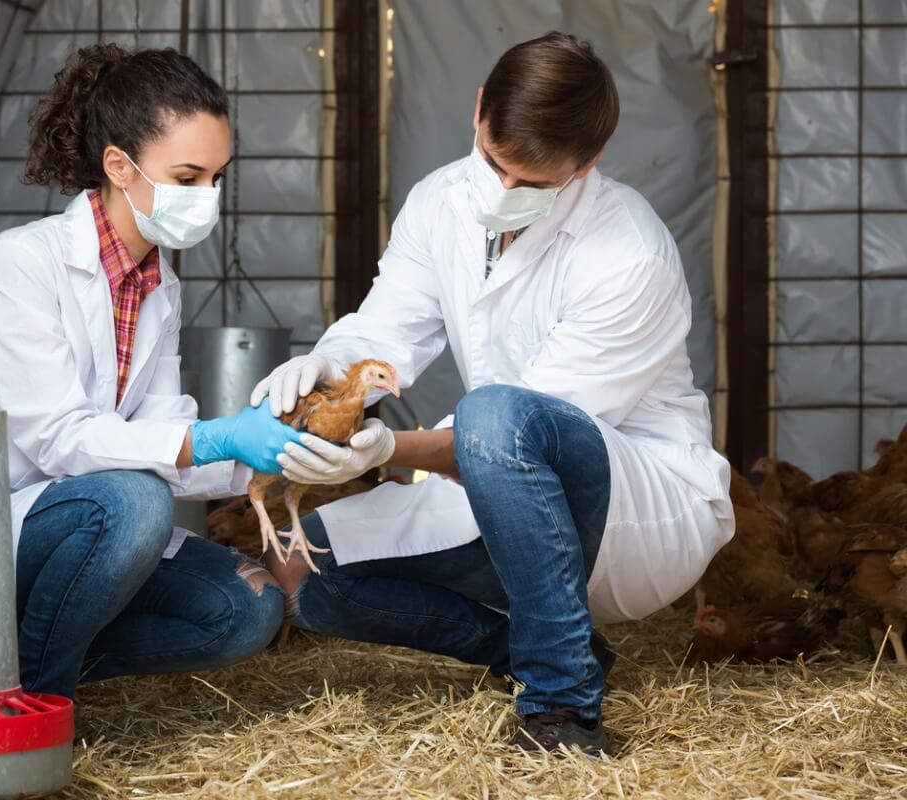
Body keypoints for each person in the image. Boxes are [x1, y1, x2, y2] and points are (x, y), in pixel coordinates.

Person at [255, 32, 734, 756]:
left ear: (590, 162)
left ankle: (562, 706)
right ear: (479, 108)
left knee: (495, 412)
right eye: (494, 163)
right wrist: (326, 365)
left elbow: (514, 429)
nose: (504, 193)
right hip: (499, 484)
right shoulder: (441, 201)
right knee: (311, 573)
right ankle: (542, 646)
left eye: (536, 185)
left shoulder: (628, 252)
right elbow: (388, 329)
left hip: (629, 501)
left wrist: (387, 450)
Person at [0, 45, 300, 700]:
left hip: (78, 525)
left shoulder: (159, 284)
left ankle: (9, 658)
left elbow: (160, 430)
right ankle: (38, 701)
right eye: (187, 177)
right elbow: (61, 440)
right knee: (135, 502)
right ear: (119, 166)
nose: (208, 198)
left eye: (217, 177)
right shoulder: (18, 268)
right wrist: (215, 437)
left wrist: (273, 455)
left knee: (247, 606)